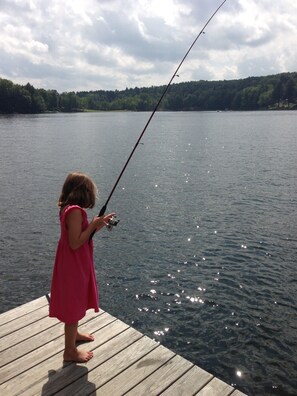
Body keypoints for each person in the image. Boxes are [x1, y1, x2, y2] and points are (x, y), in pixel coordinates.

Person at [49, 172, 115, 363]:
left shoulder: (68, 208)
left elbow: (81, 235)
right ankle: (69, 351)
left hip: (72, 261)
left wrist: (97, 224)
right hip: (73, 264)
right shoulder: (76, 211)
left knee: (74, 300)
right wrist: (92, 223)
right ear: (82, 191)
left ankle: (74, 334)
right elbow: (76, 242)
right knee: (73, 304)